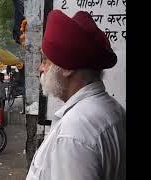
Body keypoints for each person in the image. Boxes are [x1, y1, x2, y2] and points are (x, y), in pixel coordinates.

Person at [26, 10, 126, 180]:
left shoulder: (73, 134)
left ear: (67, 67)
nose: (41, 69)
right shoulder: (114, 110)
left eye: (45, 60)